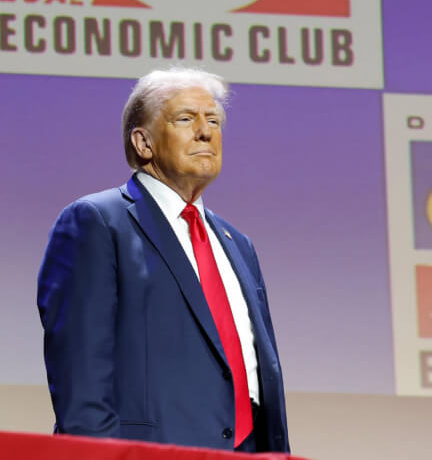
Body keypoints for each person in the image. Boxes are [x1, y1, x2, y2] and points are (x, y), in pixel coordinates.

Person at [37, 67, 288, 452]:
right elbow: (80, 376)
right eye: (185, 119)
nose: (205, 132)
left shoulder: (238, 244)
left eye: (213, 121)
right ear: (143, 142)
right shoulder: (98, 222)